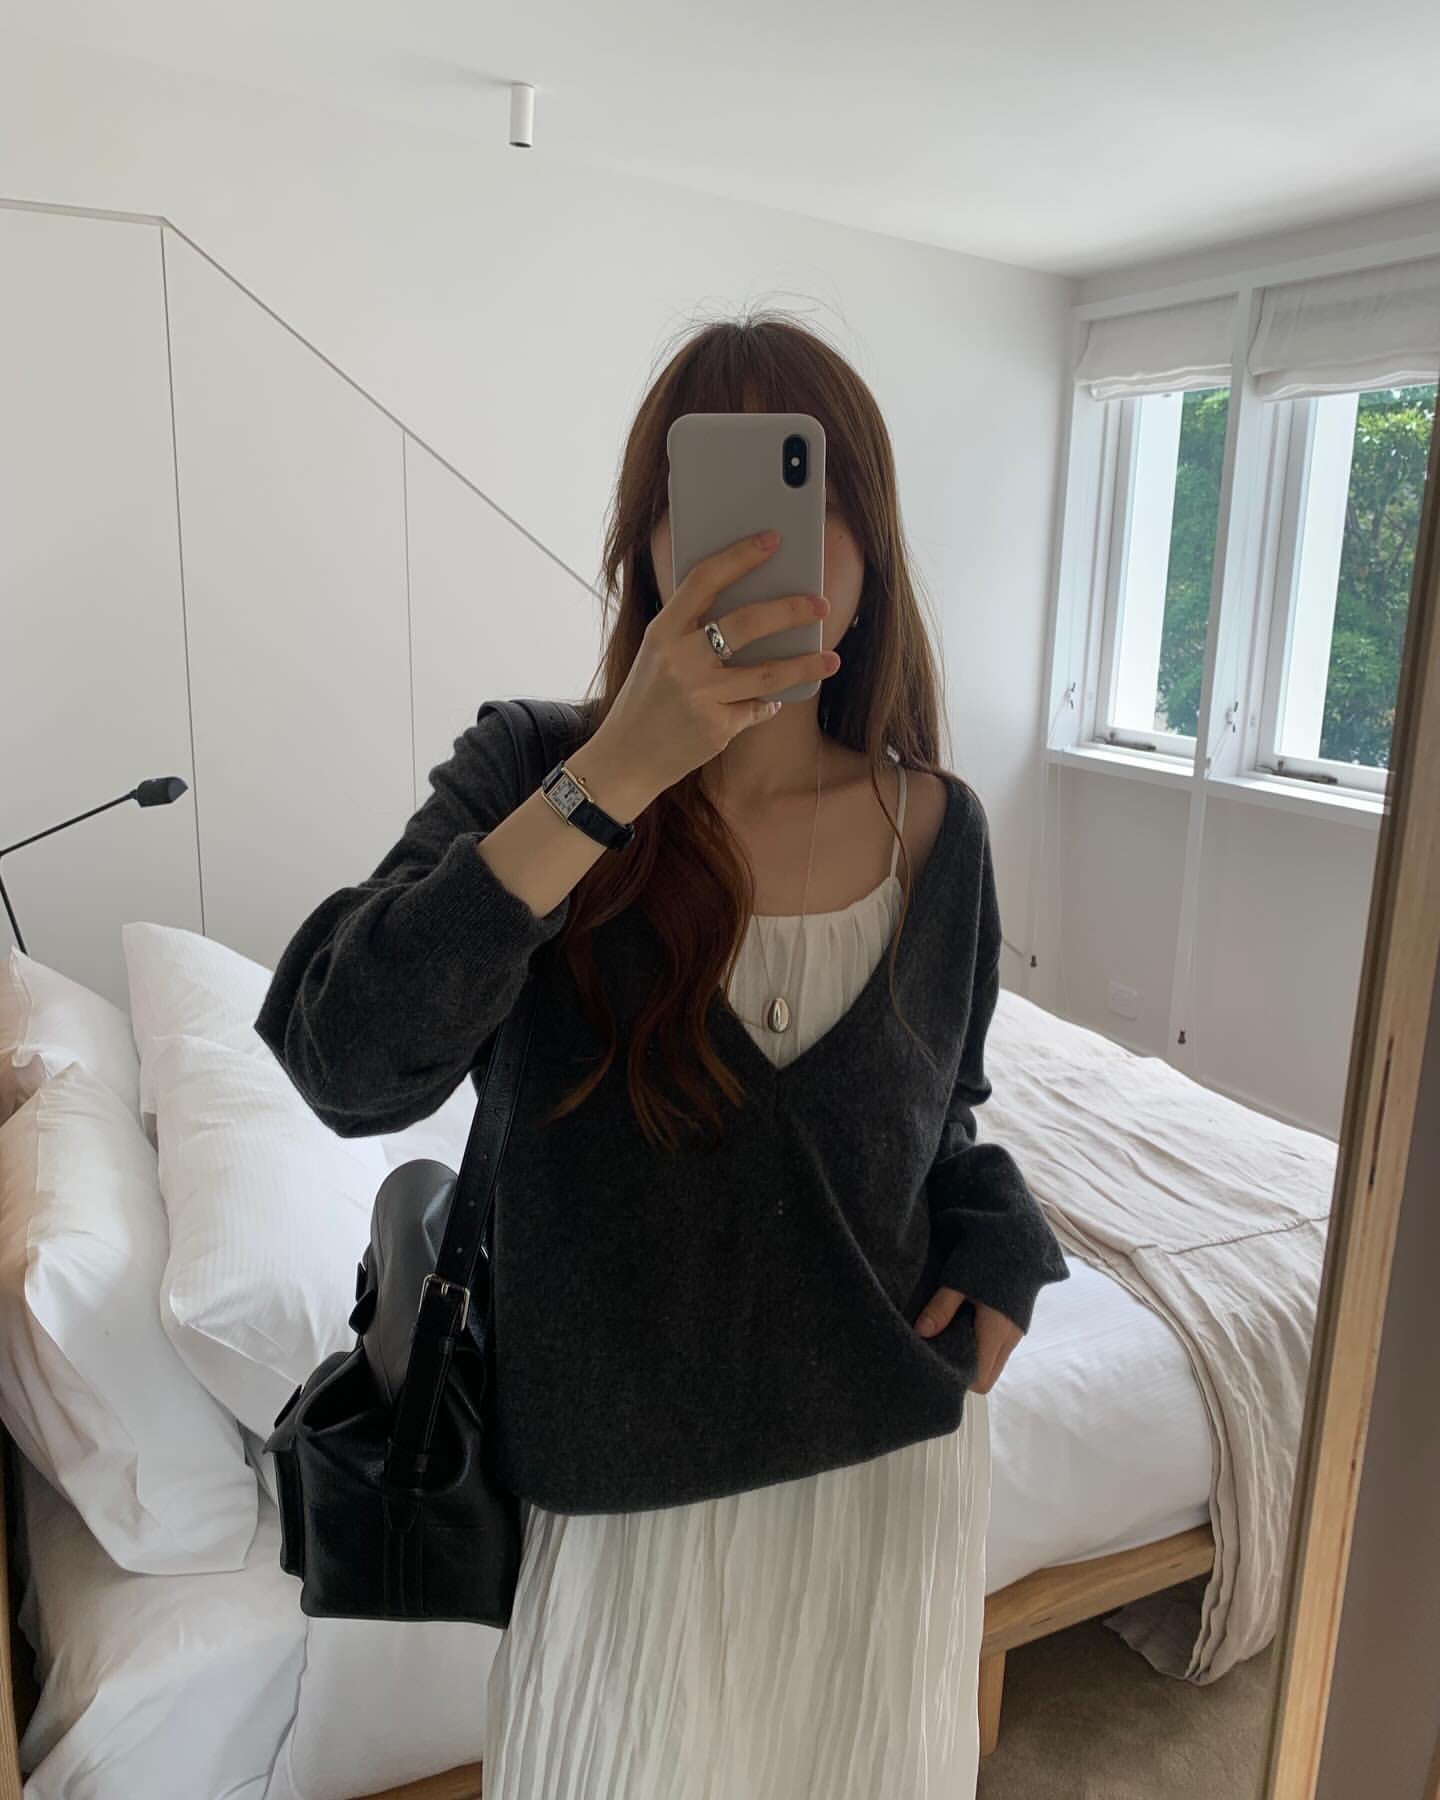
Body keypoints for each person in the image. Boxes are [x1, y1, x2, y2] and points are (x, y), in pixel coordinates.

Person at [256, 311, 1071, 1800]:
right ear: (645, 541)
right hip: (622, 1515)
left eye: (806, 488)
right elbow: (345, 1061)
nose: (762, 542)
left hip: (888, 1484)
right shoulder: (532, 769)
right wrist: (617, 774)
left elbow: (943, 1113)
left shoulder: (940, 828)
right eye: (709, 497)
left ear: (870, 543)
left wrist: (1004, 1236)